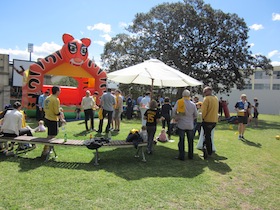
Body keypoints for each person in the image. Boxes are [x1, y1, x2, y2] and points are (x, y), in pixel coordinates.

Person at [173, 89, 197, 160]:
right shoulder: (193, 104)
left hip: (181, 124)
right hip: (190, 125)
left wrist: (175, 117)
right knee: (190, 141)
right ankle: (190, 155)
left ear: (182, 95)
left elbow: (174, 111)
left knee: (181, 141)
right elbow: (195, 114)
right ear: (189, 95)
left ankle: (181, 156)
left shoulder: (179, 102)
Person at [41, 86, 61, 158]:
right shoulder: (55, 99)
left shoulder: (47, 98)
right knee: (51, 136)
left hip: (47, 117)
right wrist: (60, 115)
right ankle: (46, 150)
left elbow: (44, 108)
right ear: (57, 91)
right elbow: (56, 111)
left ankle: (48, 149)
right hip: (53, 119)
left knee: (51, 134)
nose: (60, 92)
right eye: (60, 90)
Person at [201, 86, 219, 159]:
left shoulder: (206, 99)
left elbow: (204, 111)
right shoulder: (216, 98)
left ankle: (207, 151)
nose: (204, 93)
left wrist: (202, 118)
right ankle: (209, 151)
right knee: (208, 136)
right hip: (214, 120)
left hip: (207, 120)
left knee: (206, 136)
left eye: (204, 92)